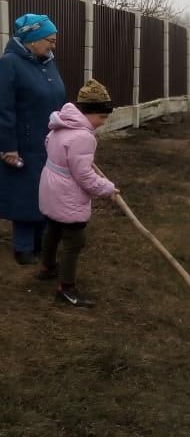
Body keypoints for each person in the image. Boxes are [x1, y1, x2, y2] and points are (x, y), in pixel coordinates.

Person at [37, 79, 118, 307]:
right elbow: (85, 178)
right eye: (102, 117)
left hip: (50, 186)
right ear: (89, 112)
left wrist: (71, 162)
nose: (103, 122)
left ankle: (47, 267)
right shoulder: (83, 137)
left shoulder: (60, 124)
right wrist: (108, 188)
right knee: (74, 240)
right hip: (67, 195)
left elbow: (49, 144)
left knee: (53, 228)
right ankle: (66, 288)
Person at [0, 13, 66, 264]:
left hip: (48, 142)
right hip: (23, 144)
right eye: (49, 39)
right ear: (33, 38)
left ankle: (40, 243)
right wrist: (8, 146)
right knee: (24, 194)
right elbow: (3, 108)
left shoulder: (47, 62)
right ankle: (24, 247)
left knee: (46, 192)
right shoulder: (9, 64)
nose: (53, 44)